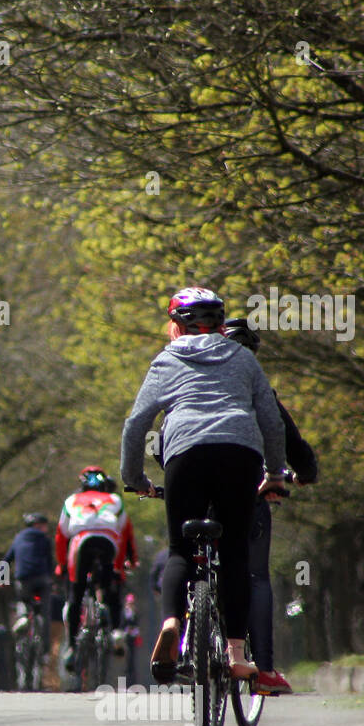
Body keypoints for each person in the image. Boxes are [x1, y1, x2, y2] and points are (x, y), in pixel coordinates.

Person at [120, 287, 287, 684]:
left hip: (185, 454)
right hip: (240, 452)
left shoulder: (167, 359)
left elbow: (136, 424)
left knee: (180, 549)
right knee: (233, 554)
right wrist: (276, 473)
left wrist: (134, 478)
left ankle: (172, 622)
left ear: (176, 325)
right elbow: (271, 419)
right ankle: (236, 654)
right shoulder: (243, 358)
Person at [222, 319, 319, 695]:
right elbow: (290, 439)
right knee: (255, 576)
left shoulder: (189, 383)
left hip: (195, 480)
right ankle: (263, 668)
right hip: (250, 488)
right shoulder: (259, 388)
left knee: (190, 553)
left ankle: (187, 634)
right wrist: (303, 474)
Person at [56, 466, 137, 662]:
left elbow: (61, 535)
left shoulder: (71, 500)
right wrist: (128, 562)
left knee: (76, 592)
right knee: (111, 585)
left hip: (81, 541)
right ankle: (117, 631)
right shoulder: (116, 500)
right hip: (109, 542)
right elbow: (125, 533)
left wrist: (62, 565)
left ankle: (72, 646)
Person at [3, 512, 58, 688]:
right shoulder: (45, 539)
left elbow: (5, 560)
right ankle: (44, 652)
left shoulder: (18, 538)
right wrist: (52, 581)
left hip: (23, 579)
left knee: (23, 600)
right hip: (42, 580)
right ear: (39, 526)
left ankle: (23, 616)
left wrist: (1, 581)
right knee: (44, 612)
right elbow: (50, 562)